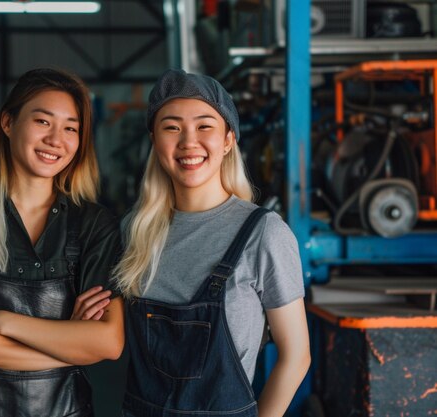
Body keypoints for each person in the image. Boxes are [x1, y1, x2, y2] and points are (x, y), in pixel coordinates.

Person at [0, 68, 124, 417]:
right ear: (8, 123)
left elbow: (108, 342)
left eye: (71, 128)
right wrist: (67, 347)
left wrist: (0, 321)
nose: (56, 139)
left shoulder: (94, 224)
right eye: (43, 121)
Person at [113, 69, 310, 417]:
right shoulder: (135, 230)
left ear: (228, 140)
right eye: (171, 127)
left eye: (205, 126)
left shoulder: (263, 233)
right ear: (154, 140)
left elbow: (296, 356)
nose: (189, 141)